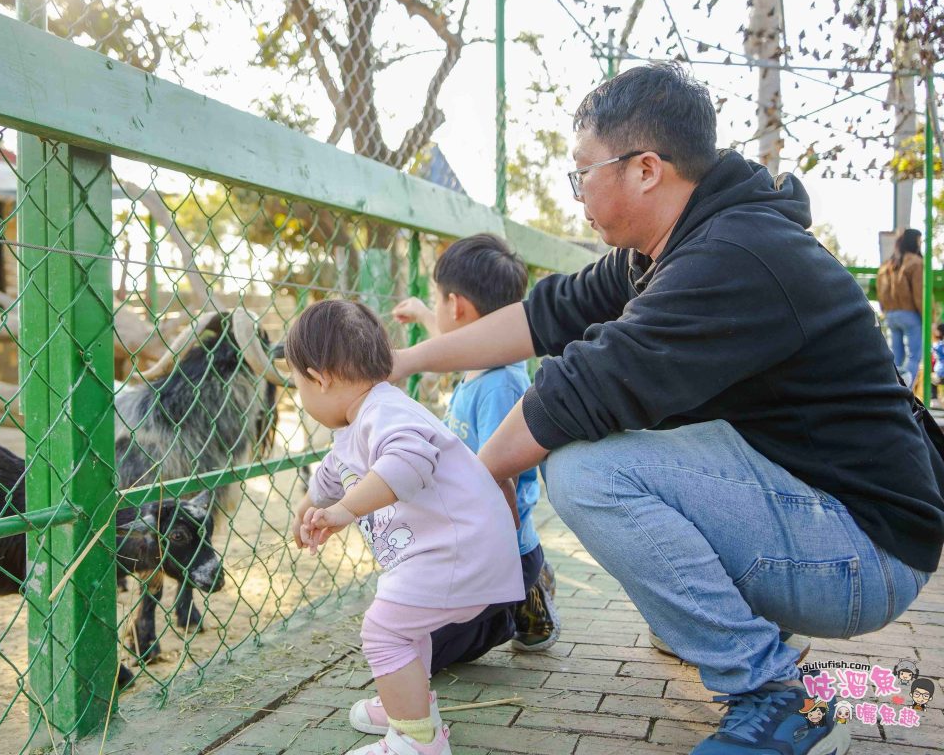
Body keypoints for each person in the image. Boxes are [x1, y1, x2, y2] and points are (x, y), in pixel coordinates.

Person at [389, 62, 944, 755]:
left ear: (645, 169)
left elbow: (582, 386)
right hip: (826, 512)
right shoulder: (671, 247)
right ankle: (729, 634)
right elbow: (544, 316)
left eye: (582, 170)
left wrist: (477, 480)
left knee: (586, 470)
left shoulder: (734, 255)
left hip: (866, 553)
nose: (578, 190)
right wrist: (403, 361)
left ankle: (773, 696)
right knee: (619, 433)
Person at [287, 299, 524, 755]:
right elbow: (335, 472)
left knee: (384, 630)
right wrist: (310, 502)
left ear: (319, 377)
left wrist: (344, 511)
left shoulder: (386, 414)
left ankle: (416, 741)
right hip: (451, 552)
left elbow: (408, 462)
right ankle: (411, 706)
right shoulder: (361, 421)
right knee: (405, 627)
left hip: (456, 552)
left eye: (298, 384)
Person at [391, 234, 561, 658]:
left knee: (430, 653)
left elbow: (498, 475)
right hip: (473, 535)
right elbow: (456, 340)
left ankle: (523, 596)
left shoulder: (501, 385)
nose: (436, 306)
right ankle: (519, 586)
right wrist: (426, 313)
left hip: (500, 547)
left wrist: (493, 561)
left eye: (438, 297)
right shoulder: (482, 364)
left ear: (459, 306)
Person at [877, 228, 925, 386]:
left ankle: (892, 390)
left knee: (896, 357)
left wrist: (885, 309)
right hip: (910, 314)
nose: (920, 244)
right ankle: (905, 393)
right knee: (914, 356)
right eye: (919, 240)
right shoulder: (916, 262)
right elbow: (919, 294)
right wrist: (928, 316)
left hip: (891, 314)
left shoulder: (887, 264)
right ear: (914, 241)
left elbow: (881, 290)